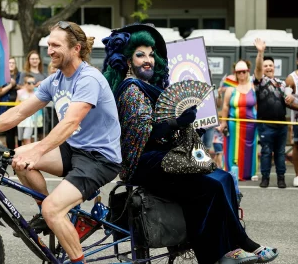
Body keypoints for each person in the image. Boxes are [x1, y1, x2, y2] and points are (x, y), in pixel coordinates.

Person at [102, 23, 278, 264]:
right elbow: (146, 135)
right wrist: (175, 122)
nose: (148, 60)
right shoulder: (131, 90)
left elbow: (164, 130)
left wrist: (190, 125)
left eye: (151, 55)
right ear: (128, 60)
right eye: (140, 54)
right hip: (144, 163)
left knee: (224, 178)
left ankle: (235, 245)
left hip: (164, 157)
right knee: (210, 186)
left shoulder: (151, 87)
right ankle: (223, 252)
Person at [0, 21, 122, 264]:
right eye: (48, 45)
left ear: (76, 49)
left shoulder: (88, 79)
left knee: (52, 207)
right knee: (17, 158)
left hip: (100, 158)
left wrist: (38, 151)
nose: (49, 50)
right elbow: (19, 113)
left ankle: (65, 238)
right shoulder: (55, 80)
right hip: (73, 148)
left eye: (56, 45)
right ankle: (51, 214)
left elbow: (70, 123)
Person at [253, 38, 291, 188]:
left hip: (281, 124)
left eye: (271, 65)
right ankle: (265, 178)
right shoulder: (259, 81)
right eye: (266, 65)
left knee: (280, 153)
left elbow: (290, 100)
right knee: (266, 152)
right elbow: (257, 69)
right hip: (265, 124)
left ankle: (281, 178)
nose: (268, 67)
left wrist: (290, 98)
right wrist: (260, 52)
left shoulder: (282, 84)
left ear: (275, 67)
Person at [218, 60, 258, 181]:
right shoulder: (231, 88)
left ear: (248, 72)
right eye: (239, 72)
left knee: (250, 149)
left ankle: (250, 173)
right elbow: (225, 106)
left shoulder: (253, 86)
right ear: (235, 73)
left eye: (244, 71)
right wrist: (224, 123)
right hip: (233, 124)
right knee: (231, 148)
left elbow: (257, 105)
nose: (241, 74)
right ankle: (231, 172)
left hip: (251, 125)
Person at [0, 57, 20, 149]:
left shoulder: (19, 75)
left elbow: (24, 86)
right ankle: (10, 151)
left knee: (19, 130)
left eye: (13, 63)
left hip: (18, 105)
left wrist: (15, 85)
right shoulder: (1, 77)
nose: (11, 64)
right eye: (9, 63)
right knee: (9, 129)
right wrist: (10, 86)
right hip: (5, 106)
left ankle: (20, 150)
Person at [15, 74, 42, 145]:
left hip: (31, 118)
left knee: (27, 136)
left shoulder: (37, 92)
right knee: (20, 138)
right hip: (21, 117)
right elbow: (16, 104)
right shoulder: (20, 92)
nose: (31, 85)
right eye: (29, 83)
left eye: (33, 83)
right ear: (25, 84)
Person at [285, 69, 298, 187]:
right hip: (297, 120)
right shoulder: (291, 78)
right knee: (297, 146)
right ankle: (297, 175)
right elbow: (286, 101)